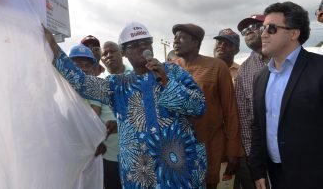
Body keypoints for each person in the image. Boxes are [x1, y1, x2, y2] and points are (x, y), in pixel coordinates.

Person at [45, 21, 207, 188]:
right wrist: (53, 48)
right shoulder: (117, 84)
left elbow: (199, 108)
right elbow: (82, 83)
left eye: (146, 43)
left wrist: (165, 80)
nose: (142, 48)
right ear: (124, 52)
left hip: (179, 173)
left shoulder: (173, 71)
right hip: (140, 175)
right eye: (135, 45)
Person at [250, 2, 323, 189]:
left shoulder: (319, 68)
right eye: (262, 28)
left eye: (271, 28)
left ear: (293, 33)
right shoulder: (261, 78)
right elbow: (258, 126)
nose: (263, 34)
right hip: (275, 176)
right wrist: (258, 170)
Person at [172, 23, 242, 189]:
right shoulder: (171, 68)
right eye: (175, 37)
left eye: (181, 38)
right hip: (177, 148)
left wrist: (233, 151)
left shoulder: (217, 67)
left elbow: (230, 112)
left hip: (208, 146)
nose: (175, 41)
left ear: (196, 42)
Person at [234, 14, 268, 189]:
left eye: (254, 26)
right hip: (261, 148)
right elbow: (245, 119)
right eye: (244, 31)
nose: (248, 32)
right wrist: (252, 158)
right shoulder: (244, 71)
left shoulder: (291, 59)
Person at [99, 41, 131, 189]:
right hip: (109, 156)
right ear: (101, 60)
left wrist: (121, 123)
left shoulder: (136, 76)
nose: (109, 55)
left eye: (113, 51)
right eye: (104, 54)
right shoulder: (100, 83)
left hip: (136, 155)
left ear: (121, 54)